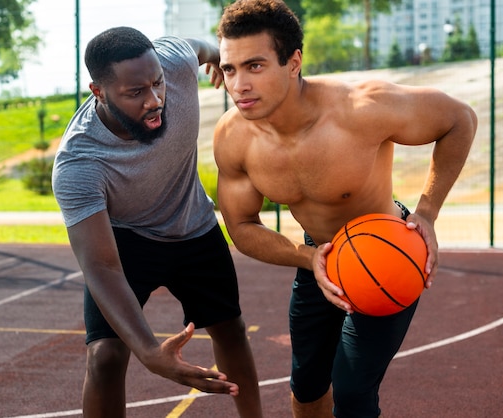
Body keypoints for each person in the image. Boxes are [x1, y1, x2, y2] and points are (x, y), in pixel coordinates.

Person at [213, 1, 477, 417]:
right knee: (307, 386)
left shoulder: (361, 108)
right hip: (319, 256)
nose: (239, 84)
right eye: (230, 69)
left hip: (386, 255)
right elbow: (242, 226)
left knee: (353, 391)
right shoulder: (233, 137)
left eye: (255, 66)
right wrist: (308, 257)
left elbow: (459, 119)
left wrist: (426, 211)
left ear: (293, 62)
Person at [52, 27, 263, 417]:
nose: (155, 101)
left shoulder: (176, 62)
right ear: (99, 91)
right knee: (105, 356)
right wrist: (149, 351)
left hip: (192, 223)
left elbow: (202, 46)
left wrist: (218, 57)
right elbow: (100, 265)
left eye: (157, 84)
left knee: (231, 329)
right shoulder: (79, 163)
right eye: (135, 93)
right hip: (127, 240)